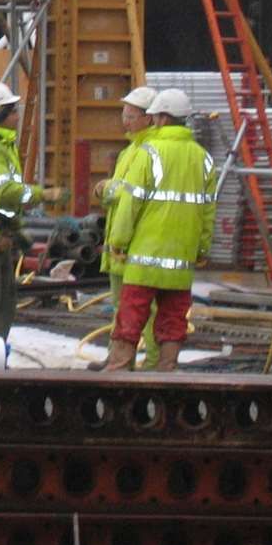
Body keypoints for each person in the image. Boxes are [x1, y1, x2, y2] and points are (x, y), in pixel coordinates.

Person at [104, 88, 218, 372]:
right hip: (181, 260)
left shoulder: (149, 154)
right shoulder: (203, 159)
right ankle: (166, 372)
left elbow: (130, 204)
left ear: (163, 118)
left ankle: (118, 372)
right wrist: (202, 249)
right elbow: (207, 210)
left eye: (154, 116)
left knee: (131, 316)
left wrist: (118, 241)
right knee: (173, 319)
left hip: (144, 257)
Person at [0, 82, 65, 340]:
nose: (18, 117)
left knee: (4, 303)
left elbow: (4, 203)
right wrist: (44, 194)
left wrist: (17, 230)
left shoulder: (2, 147)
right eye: (12, 111)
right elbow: (4, 192)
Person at [94, 86, 160, 369]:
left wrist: (107, 189)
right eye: (125, 114)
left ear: (149, 118)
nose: (125, 120)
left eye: (132, 115)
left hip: (135, 243)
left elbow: (129, 193)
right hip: (121, 243)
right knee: (120, 308)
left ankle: (153, 361)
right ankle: (118, 357)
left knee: (146, 308)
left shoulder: (150, 151)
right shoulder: (131, 150)